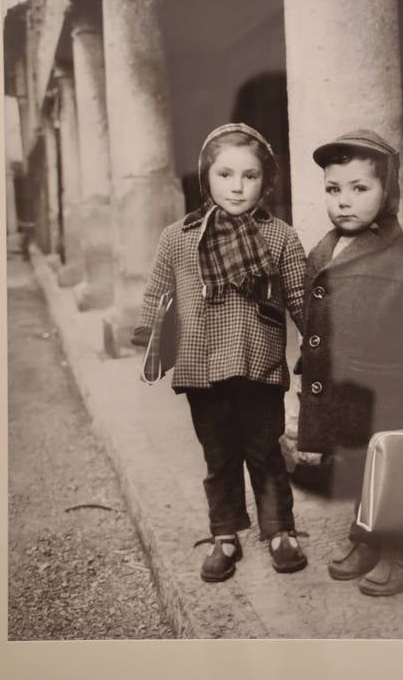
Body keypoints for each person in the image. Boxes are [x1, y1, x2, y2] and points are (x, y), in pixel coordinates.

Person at [132, 123, 308, 583]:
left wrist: (321, 342)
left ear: (266, 181)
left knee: (264, 450)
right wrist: (147, 332)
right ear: (206, 177)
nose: (237, 186)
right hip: (201, 363)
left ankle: (279, 530)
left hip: (259, 362)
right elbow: (157, 291)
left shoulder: (281, 237)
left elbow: (301, 298)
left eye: (250, 176)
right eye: (225, 174)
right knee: (219, 453)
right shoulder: (178, 236)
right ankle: (224, 534)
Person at [297, 128, 403, 596]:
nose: (343, 201)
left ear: (389, 193)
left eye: (360, 188)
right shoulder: (325, 248)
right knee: (357, 464)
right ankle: (366, 539)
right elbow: (316, 317)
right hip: (343, 386)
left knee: (395, 472)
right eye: (333, 189)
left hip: (388, 391)